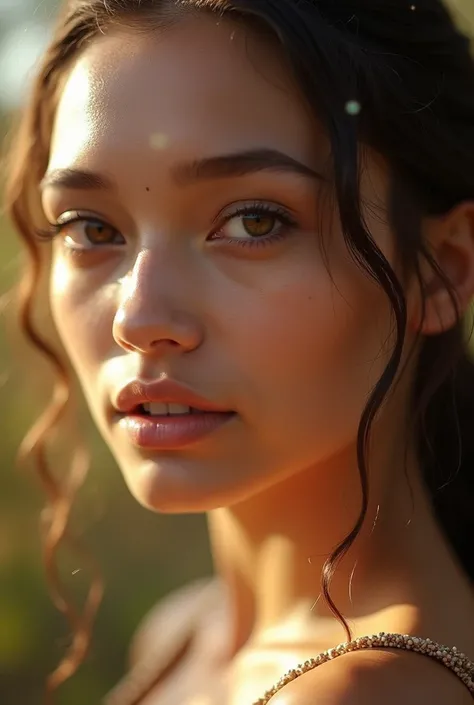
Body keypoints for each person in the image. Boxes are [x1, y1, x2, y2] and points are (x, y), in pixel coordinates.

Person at [4, 0, 474, 703]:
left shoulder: (361, 692)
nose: (139, 316)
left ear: (442, 267)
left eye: (255, 220)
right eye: (91, 227)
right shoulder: (186, 630)